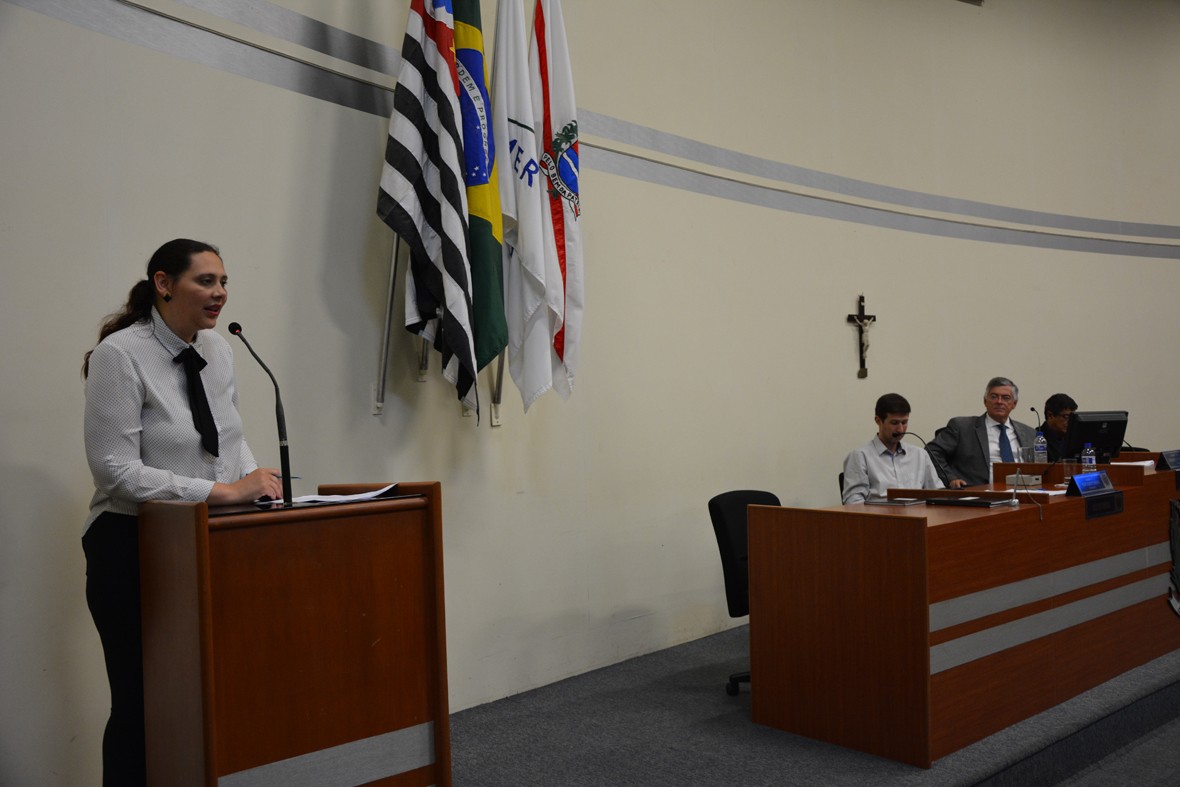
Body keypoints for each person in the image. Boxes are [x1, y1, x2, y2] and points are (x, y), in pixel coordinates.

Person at [82, 239, 282, 785]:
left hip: (207, 539)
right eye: (206, 281)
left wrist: (257, 484)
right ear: (164, 284)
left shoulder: (219, 349)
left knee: (211, 694)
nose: (219, 293)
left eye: (223, 282)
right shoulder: (120, 354)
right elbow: (114, 470)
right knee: (144, 702)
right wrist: (223, 493)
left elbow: (229, 439)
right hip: (132, 544)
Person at [925, 376, 1036, 488]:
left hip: (1023, 491)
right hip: (977, 491)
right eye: (994, 396)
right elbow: (931, 451)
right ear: (985, 401)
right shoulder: (962, 427)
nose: (999, 401)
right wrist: (950, 478)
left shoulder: (1029, 433)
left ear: (1014, 404)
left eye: (1006, 398)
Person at [842, 393, 944, 503]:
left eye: (904, 422)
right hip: (880, 513)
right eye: (894, 423)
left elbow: (938, 495)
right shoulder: (860, 456)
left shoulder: (920, 454)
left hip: (918, 512)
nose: (900, 429)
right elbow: (853, 502)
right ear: (878, 421)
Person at [1038, 392, 1078, 462]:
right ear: (1050, 415)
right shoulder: (1037, 440)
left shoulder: (1074, 438)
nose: (1070, 421)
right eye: (1066, 417)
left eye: (1072, 417)